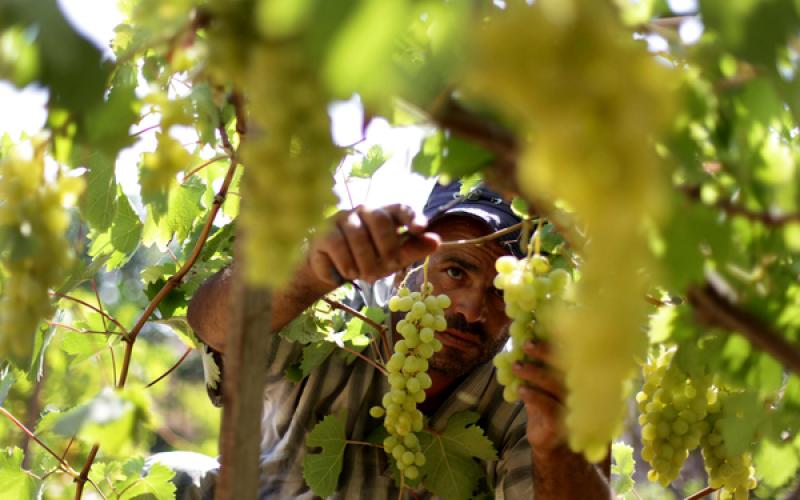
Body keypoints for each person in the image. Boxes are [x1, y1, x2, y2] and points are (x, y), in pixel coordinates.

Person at [157, 182, 612, 499]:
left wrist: (558, 447)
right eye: (455, 271)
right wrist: (305, 272)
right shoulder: (329, 325)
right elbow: (213, 325)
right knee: (171, 477)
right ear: (402, 270)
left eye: (502, 291)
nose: (473, 309)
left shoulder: (530, 395)